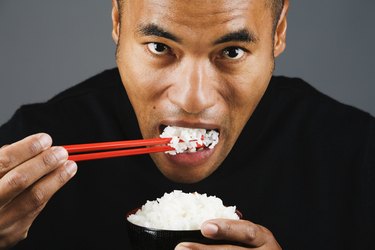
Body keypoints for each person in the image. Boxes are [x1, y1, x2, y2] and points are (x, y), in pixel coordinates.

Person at [0, 0, 373, 249]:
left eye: (231, 52)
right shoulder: (28, 155)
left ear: (278, 32)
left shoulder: (358, 157)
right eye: (160, 47)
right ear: (118, 21)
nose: (192, 99)